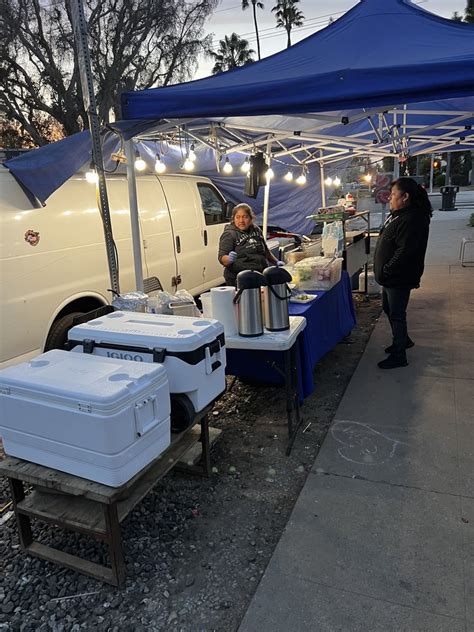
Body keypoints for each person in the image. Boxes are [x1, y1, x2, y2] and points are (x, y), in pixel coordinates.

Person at [373, 177, 432, 370]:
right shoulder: (400, 214)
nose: (390, 198)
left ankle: (400, 355)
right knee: (389, 309)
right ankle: (403, 341)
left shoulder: (412, 218)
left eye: (393, 195)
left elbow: (405, 250)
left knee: (397, 314)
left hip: (398, 277)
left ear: (405, 197)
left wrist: (387, 269)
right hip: (390, 277)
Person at [218, 203, 284, 286]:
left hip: (260, 275)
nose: (241, 221)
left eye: (245, 217)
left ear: (251, 218)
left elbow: (265, 250)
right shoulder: (229, 234)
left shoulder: (256, 229)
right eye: (238, 217)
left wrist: (276, 262)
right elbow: (221, 258)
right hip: (240, 279)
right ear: (233, 219)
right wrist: (228, 259)